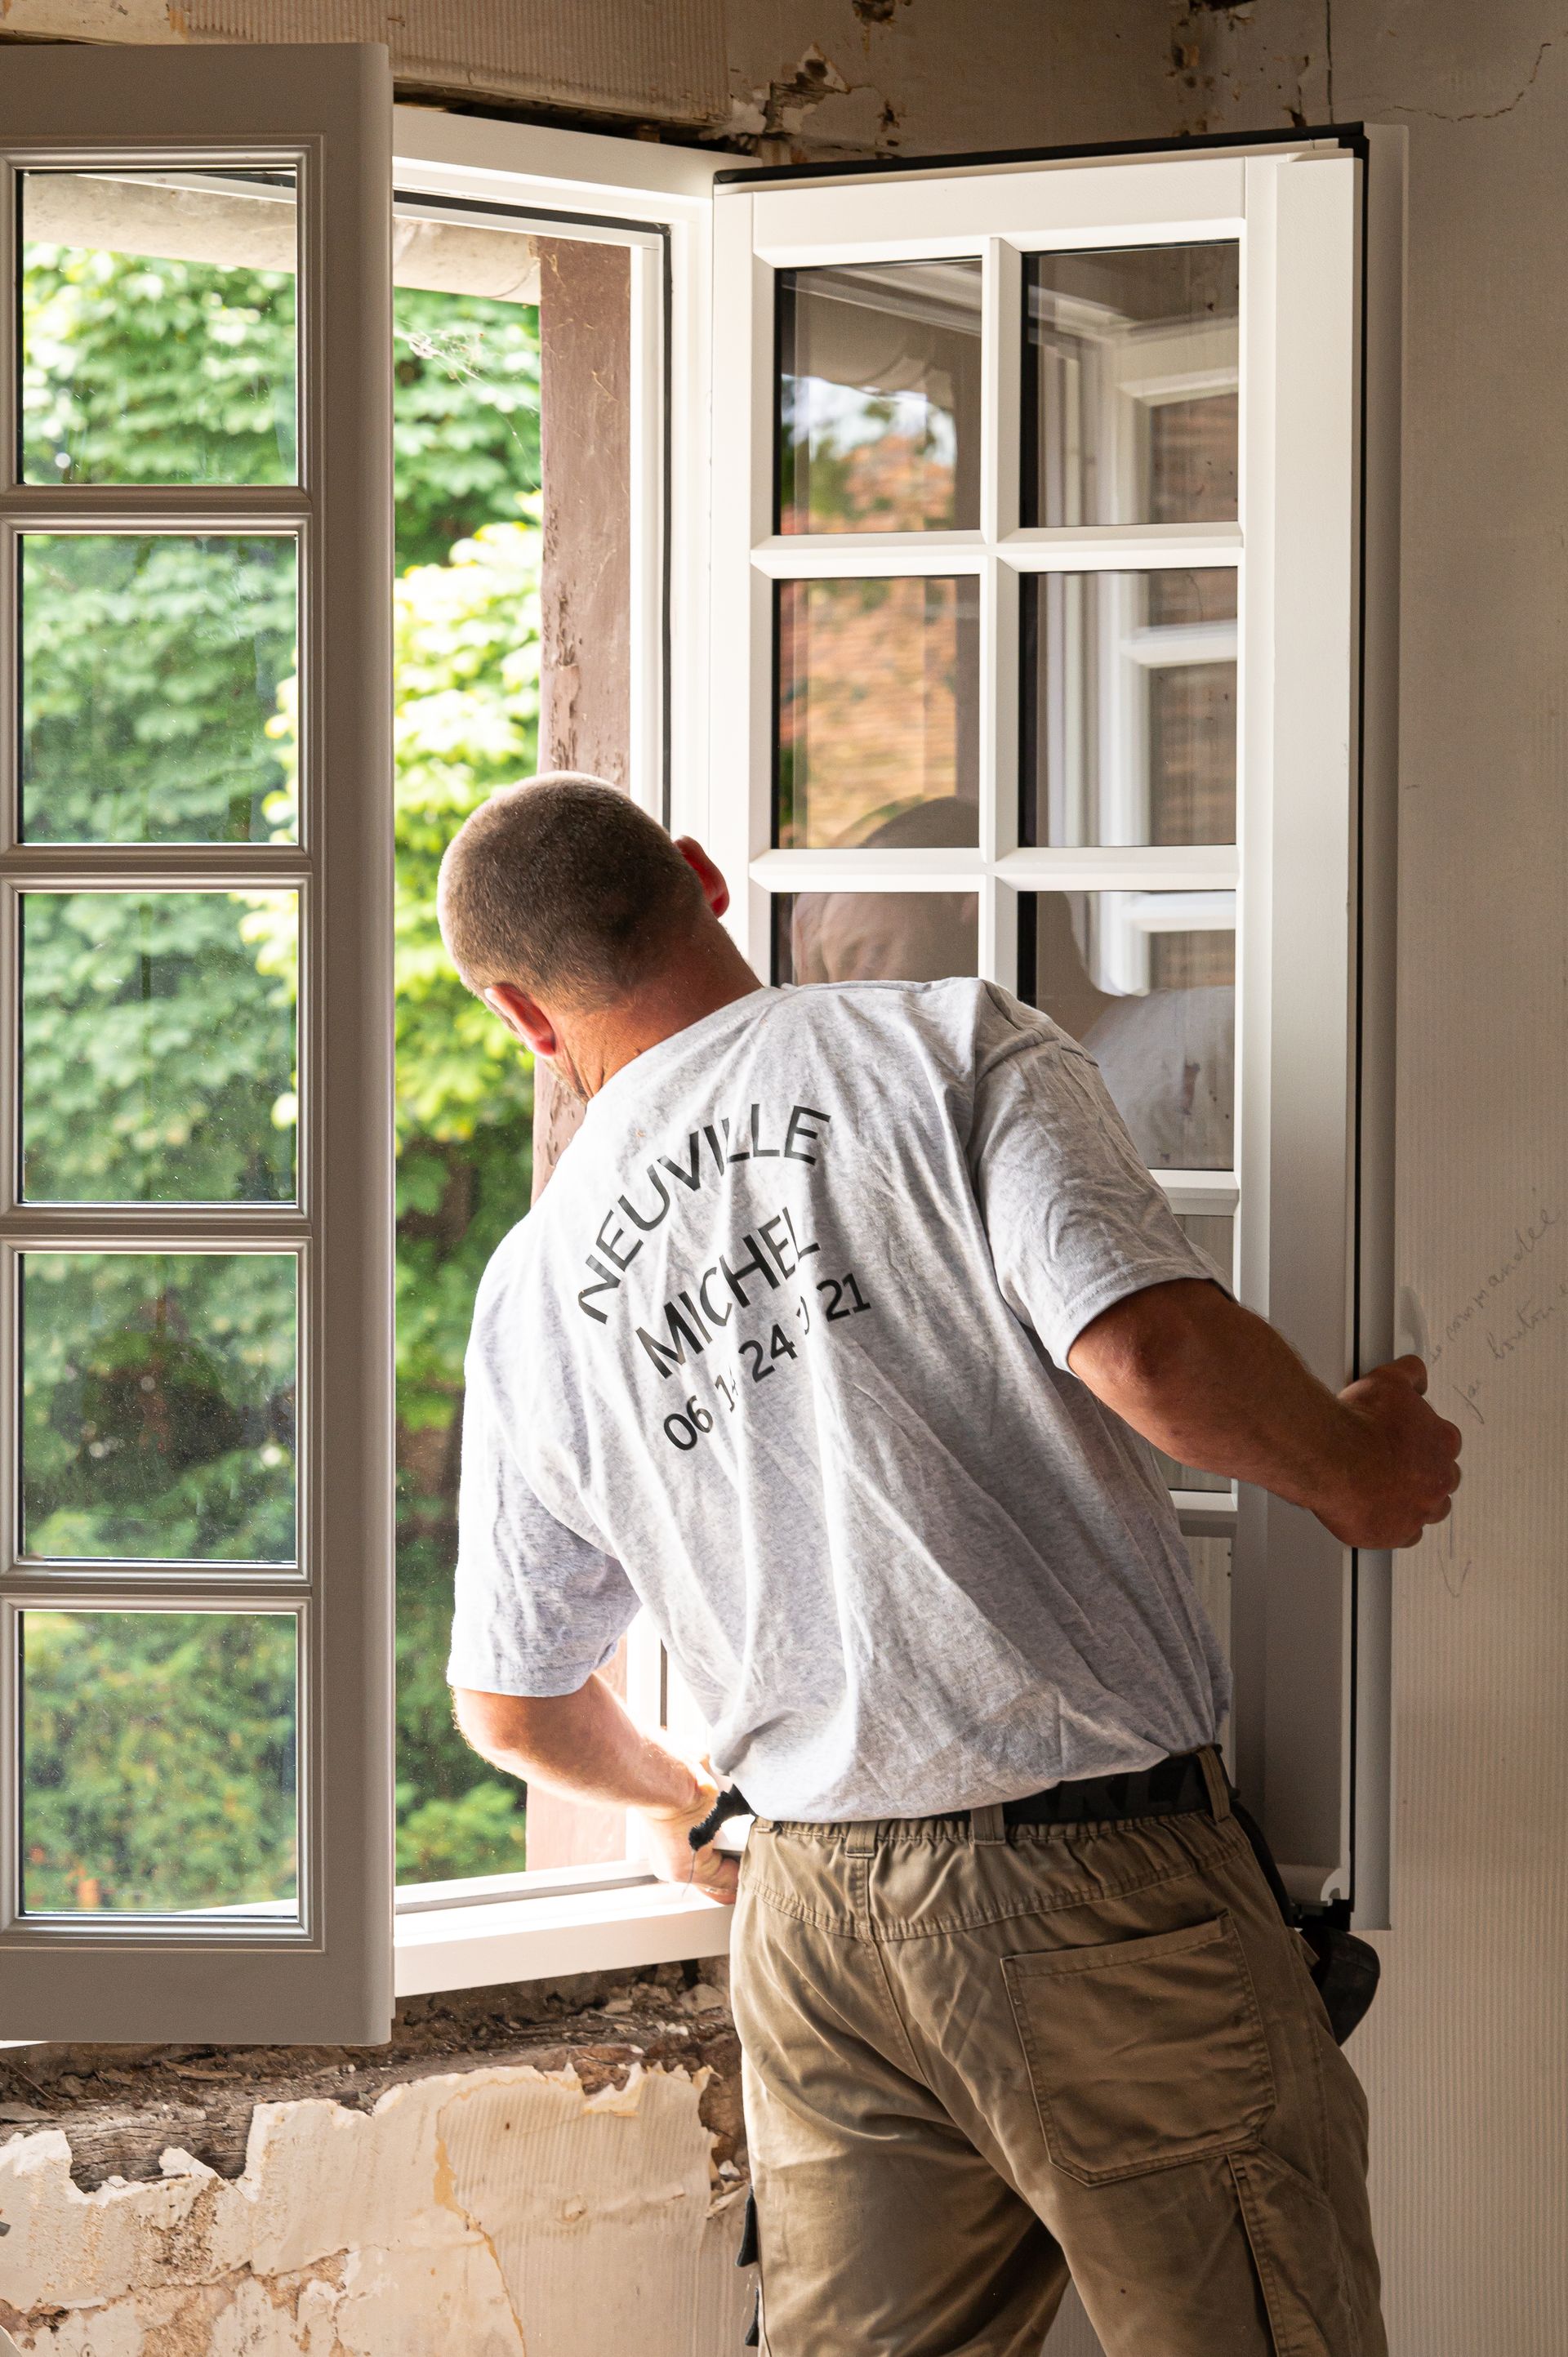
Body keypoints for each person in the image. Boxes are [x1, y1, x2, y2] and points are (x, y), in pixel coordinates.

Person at [439, 773, 1460, 2357]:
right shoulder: (934, 1045)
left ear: (519, 1011)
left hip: (816, 1924)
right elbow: (1146, 1343)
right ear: (706, 880)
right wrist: (1358, 1473)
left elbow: (514, 1709)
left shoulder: (532, 1287)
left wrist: (685, 1806)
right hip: (1091, 1888)